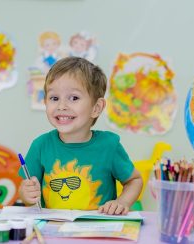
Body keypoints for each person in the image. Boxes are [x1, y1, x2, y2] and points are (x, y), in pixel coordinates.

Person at [19, 57, 143, 215]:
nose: (61, 106)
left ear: (96, 108)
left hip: (97, 233)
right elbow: (25, 190)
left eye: (74, 98)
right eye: (54, 98)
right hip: (53, 231)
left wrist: (122, 202)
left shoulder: (109, 145)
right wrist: (26, 194)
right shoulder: (40, 145)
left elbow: (134, 180)